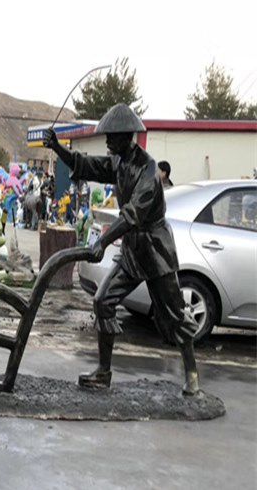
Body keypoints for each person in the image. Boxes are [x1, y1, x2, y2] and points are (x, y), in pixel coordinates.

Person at [43, 103, 200, 395]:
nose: (106, 141)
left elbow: (132, 215)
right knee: (103, 301)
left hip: (155, 251)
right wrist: (58, 149)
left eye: (111, 135)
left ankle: (191, 374)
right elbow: (86, 165)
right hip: (132, 251)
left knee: (175, 315)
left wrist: (102, 241)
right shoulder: (118, 161)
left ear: (126, 136)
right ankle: (103, 372)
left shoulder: (149, 170)